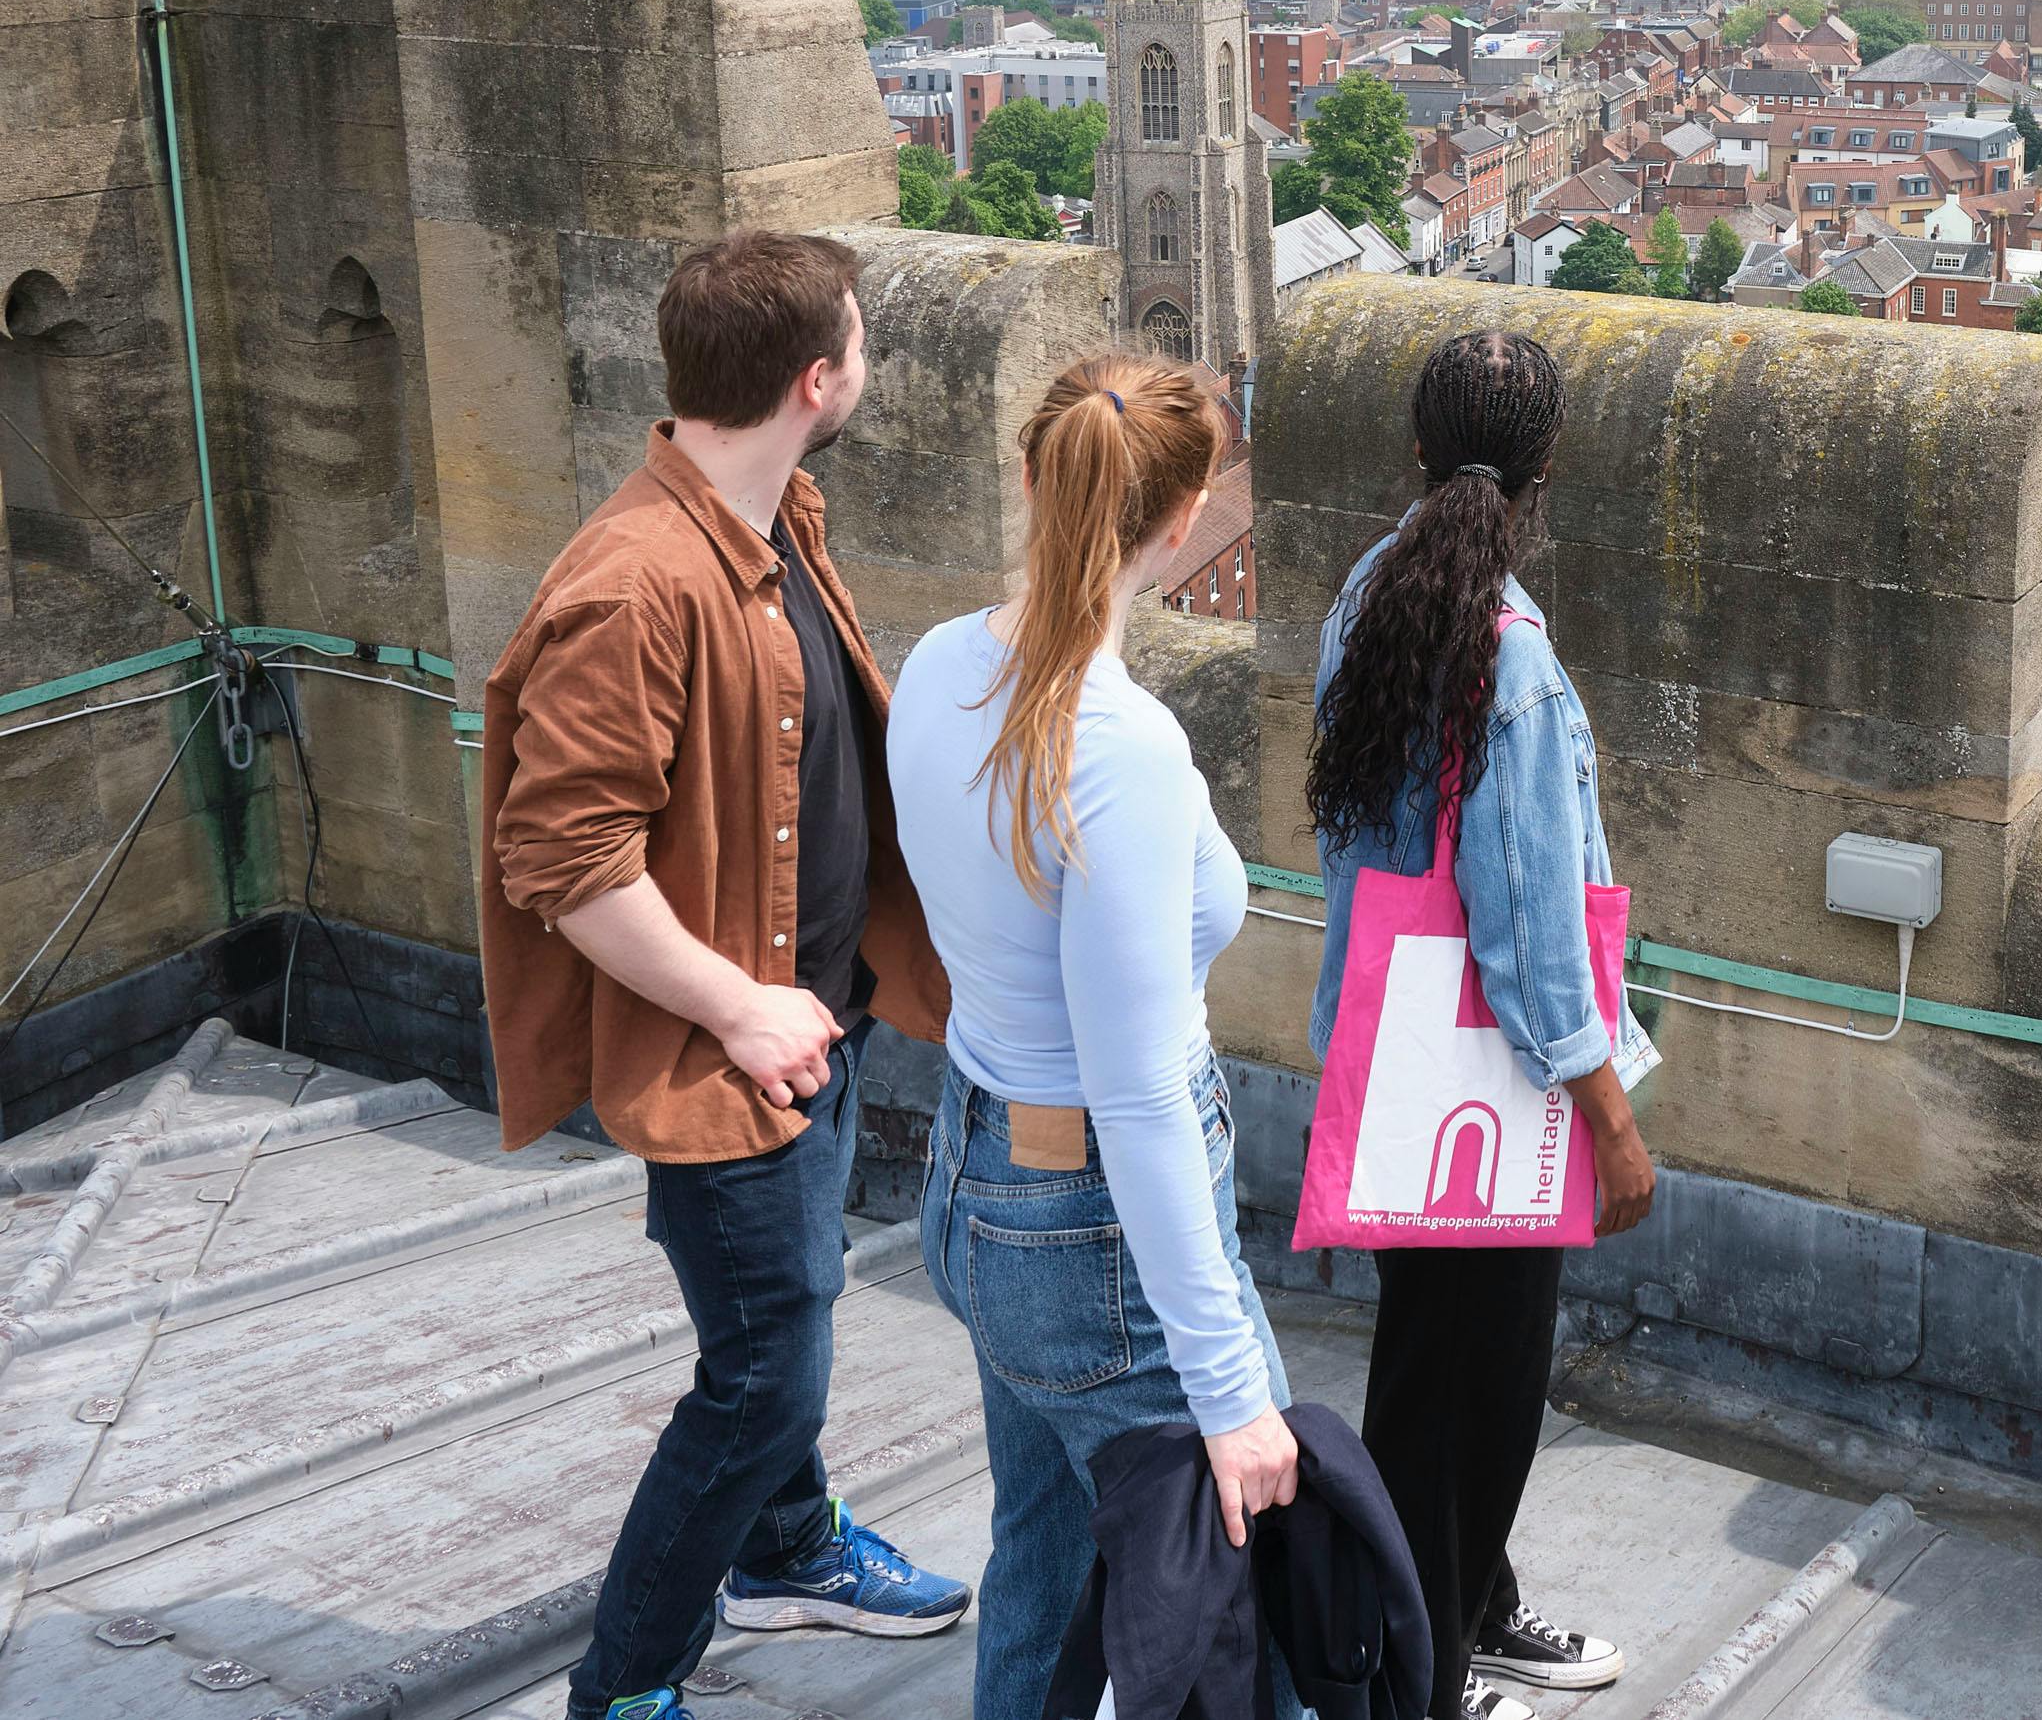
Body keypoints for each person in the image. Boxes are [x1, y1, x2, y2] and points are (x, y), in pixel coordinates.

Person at [479, 230, 972, 1720]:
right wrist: (740, 1006)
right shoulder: (638, 583)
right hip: (728, 1049)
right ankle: (624, 1687)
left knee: (772, 1329)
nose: (868, 361)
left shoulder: (770, 520)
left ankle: (786, 1546)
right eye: (861, 341)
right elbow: (560, 854)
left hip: (812, 1017)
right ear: (817, 378)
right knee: (763, 1376)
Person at [886, 356, 1306, 1720]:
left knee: (1047, 1562)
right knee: (1244, 1610)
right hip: (1091, 1229)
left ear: (1030, 475)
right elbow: (1134, 1093)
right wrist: (1230, 1390)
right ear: (1184, 522)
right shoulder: (1119, 747)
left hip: (976, 1181)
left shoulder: (936, 666)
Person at [1305, 329, 1656, 1720]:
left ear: (1416, 452)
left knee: (1425, 1370)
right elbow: (1531, 936)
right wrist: (1611, 1122)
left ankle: (1469, 1610)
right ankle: (1419, 1678)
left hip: (1392, 1056)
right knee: (1474, 1404)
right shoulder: (1514, 662)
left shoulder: (1369, 593)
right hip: (1495, 1090)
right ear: (1544, 471)